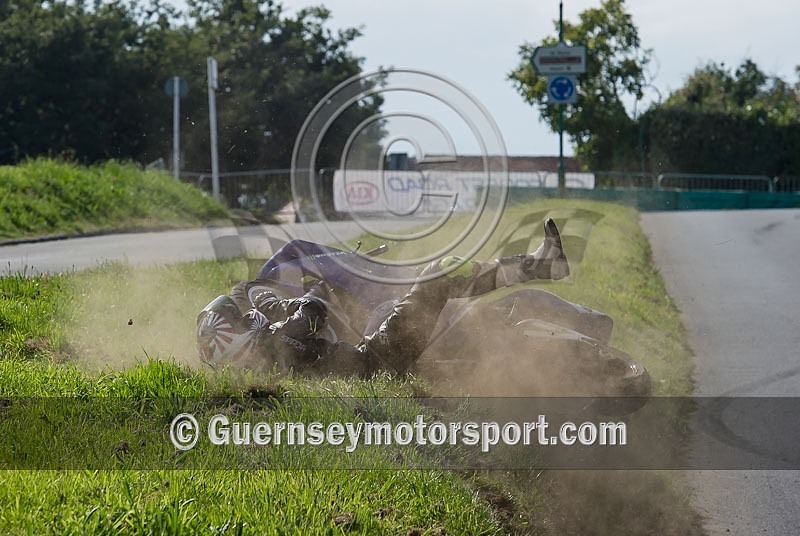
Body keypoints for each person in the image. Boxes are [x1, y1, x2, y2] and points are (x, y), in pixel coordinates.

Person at [196, 218, 569, 376]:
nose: (251, 315)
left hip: (374, 357)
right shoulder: (279, 338)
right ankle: (538, 266)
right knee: (441, 272)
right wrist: (296, 295)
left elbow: (252, 293)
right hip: (379, 355)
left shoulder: (268, 359)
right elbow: (311, 309)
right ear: (239, 340)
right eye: (244, 319)